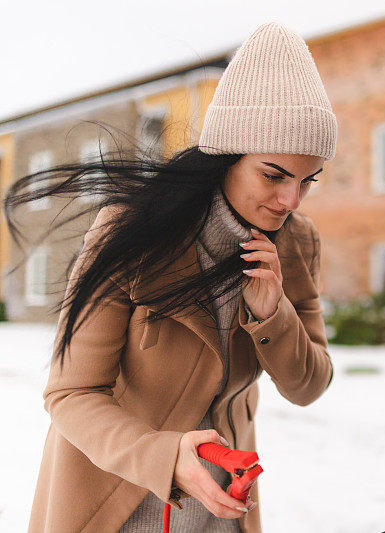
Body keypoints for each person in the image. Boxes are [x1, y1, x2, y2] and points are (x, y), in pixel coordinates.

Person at [6, 21, 337, 532]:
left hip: (224, 506)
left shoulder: (296, 243)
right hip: (114, 500)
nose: (289, 201)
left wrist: (273, 312)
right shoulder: (133, 231)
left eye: (307, 181)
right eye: (273, 175)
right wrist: (164, 456)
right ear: (228, 156)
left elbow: (309, 384)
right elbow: (69, 394)